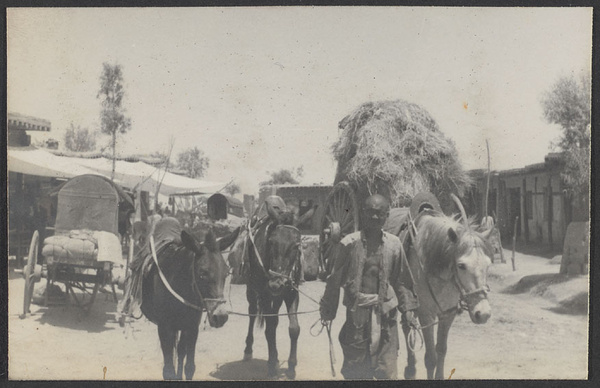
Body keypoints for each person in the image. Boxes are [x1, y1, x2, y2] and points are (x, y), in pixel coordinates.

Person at [320, 194, 420, 379]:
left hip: (386, 314)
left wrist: (408, 311)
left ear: (386, 215)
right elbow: (334, 280)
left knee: (388, 371)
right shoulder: (349, 243)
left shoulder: (394, 245)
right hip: (357, 315)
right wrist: (328, 309)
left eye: (379, 213)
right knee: (356, 370)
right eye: (371, 213)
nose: (375, 217)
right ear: (363, 214)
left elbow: (402, 281)